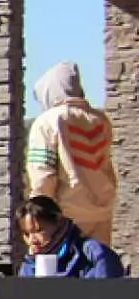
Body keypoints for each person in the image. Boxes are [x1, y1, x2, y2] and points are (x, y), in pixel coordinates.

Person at [27, 61, 117, 247]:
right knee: (98, 262)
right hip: (100, 214)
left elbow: (43, 173)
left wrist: (39, 216)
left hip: (64, 216)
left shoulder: (47, 122)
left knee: (61, 265)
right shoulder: (100, 120)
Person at [17, 195, 126, 278]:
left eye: (39, 230)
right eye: (26, 234)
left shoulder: (93, 255)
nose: (32, 240)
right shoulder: (29, 266)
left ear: (58, 222)